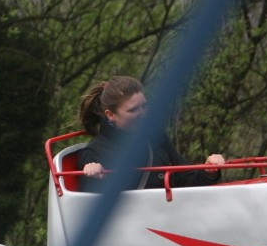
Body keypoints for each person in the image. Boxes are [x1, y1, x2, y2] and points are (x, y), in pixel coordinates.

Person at [77, 75, 225, 192]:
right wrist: (94, 178)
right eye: (133, 110)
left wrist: (208, 171)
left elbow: (184, 179)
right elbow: (87, 212)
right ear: (110, 115)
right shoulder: (95, 151)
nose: (143, 114)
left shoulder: (155, 136)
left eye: (144, 106)